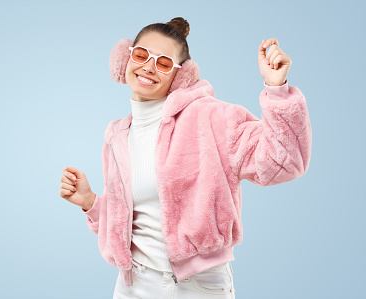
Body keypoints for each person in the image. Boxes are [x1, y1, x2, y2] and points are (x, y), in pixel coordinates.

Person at [59, 17, 311, 299]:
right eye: (141, 55)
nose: (148, 67)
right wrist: (90, 202)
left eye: (164, 63)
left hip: (197, 287)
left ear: (180, 76)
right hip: (132, 286)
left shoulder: (211, 118)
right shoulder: (117, 136)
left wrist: (276, 89)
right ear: (125, 57)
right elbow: (131, 221)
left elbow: (284, 161)